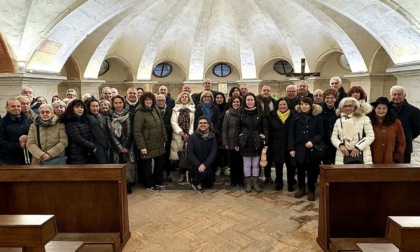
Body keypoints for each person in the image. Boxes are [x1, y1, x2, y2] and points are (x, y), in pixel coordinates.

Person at [288, 97, 324, 201]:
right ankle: (301, 188)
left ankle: (311, 189)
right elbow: (291, 134)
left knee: (312, 170)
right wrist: (291, 148)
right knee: (300, 170)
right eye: (302, 104)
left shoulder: (317, 118)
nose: (304, 106)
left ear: (311, 106)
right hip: (299, 148)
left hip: (312, 149)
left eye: (306, 104)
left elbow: (321, 134)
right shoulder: (295, 118)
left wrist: (312, 141)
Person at [133, 92, 167, 191]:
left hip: (159, 142)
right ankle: (149, 184)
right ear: (143, 101)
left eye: (150, 100)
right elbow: (137, 131)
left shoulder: (155, 109)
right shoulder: (139, 113)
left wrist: (164, 139)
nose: (149, 102)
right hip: (147, 144)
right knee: (147, 166)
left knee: (159, 164)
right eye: (147, 100)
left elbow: (161, 125)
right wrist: (142, 146)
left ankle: (157, 181)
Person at [235, 93, 268, 193]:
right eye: (248, 100)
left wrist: (265, 139)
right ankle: (248, 183)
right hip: (245, 141)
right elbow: (237, 128)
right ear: (245, 102)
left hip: (256, 141)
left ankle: (255, 183)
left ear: (255, 101)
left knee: (255, 164)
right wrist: (236, 142)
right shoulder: (241, 112)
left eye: (252, 100)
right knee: (246, 164)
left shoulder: (260, 112)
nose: (250, 102)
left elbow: (265, 128)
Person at [331, 97, 375, 165]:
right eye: (345, 106)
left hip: (362, 154)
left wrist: (358, 147)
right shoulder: (338, 121)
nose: (348, 108)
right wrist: (340, 145)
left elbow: (370, 136)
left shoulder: (364, 119)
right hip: (342, 156)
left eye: (350, 106)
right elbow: (334, 137)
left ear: (355, 107)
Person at [107, 95, 136, 192]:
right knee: (117, 165)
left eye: (120, 102)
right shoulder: (109, 117)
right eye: (116, 103)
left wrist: (127, 146)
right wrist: (119, 147)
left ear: (123, 103)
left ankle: (128, 184)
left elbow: (133, 132)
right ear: (113, 104)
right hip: (116, 147)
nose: (118, 105)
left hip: (128, 145)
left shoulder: (130, 115)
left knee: (128, 166)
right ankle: (119, 186)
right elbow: (110, 134)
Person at [268, 98, 295, 191]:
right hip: (276, 144)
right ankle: (279, 182)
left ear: (288, 105)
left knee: (290, 165)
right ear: (277, 106)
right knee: (278, 165)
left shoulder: (293, 116)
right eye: (280, 105)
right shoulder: (272, 116)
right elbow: (269, 131)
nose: (282, 106)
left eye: (284, 104)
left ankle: (291, 183)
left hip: (290, 145)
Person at [367, 97, 405, 164]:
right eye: (379, 108)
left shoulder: (395, 122)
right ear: (375, 108)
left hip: (390, 158)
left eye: (384, 108)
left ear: (387, 109)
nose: (381, 111)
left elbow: (401, 141)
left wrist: (397, 156)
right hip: (371, 158)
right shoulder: (367, 120)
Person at [389, 85, 420, 163]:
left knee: (403, 172)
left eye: (399, 94)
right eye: (394, 94)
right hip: (387, 146)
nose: (396, 96)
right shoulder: (384, 109)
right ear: (391, 95)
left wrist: (405, 137)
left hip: (405, 148)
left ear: (404, 95)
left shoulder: (414, 111)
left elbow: (417, 129)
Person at [60, 99, 97, 164]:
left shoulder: (82, 120)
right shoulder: (70, 121)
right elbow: (77, 138)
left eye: (82, 107)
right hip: (76, 153)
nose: (80, 109)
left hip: (84, 152)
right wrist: (92, 146)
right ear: (72, 109)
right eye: (77, 107)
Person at [170, 91, 196, 183]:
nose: (184, 98)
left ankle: (189, 174)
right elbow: (173, 122)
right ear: (180, 99)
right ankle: (181, 174)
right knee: (181, 155)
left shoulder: (193, 109)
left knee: (189, 155)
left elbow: (193, 123)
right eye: (182, 97)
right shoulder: (175, 109)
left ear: (189, 99)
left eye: (186, 97)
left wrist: (189, 134)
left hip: (190, 136)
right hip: (178, 136)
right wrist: (181, 133)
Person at [187, 116, 218, 193]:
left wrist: (205, 165)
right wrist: (199, 165)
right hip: (195, 164)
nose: (203, 125)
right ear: (198, 125)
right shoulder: (192, 137)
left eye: (205, 123)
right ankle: (194, 181)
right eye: (201, 123)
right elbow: (190, 153)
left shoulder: (212, 137)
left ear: (208, 125)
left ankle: (200, 178)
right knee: (202, 173)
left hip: (206, 164)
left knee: (209, 185)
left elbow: (213, 152)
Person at [0, 98, 32, 164]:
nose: (16, 108)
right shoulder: (2, 123)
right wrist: (18, 145)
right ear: (7, 108)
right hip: (10, 160)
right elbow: (1, 142)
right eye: (13, 106)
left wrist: (28, 136)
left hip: (29, 158)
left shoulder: (28, 121)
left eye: (18, 106)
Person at [222, 95, 244, 187]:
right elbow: (224, 128)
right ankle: (233, 180)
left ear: (241, 103)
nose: (236, 103)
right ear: (231, 103)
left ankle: (241, 179)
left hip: (241, 141)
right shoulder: (228, 114)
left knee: (241, 162)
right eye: (234, 102)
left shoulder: (244, 113)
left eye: (238, 102)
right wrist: (225, 142)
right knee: (233, 162)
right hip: (230, 142)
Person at [85, 98, 111, 164]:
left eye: (97, 106)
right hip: (97, 145)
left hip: (104, 144)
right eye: (93, 106)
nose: (95, 108)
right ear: (88, 107)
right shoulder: (89, 118)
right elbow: (98, 135)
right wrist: (107, 144)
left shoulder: (101, 116)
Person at [156, 94, 173, 183]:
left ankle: (168, 173)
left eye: (162, 100)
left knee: (167, 156)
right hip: (157, 137)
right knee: (159, 157)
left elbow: (172, 122)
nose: (161, 102)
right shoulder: (153, 110)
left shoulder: (170, 110)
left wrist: (166, 127)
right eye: (159, 100)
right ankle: (160, 174)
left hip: (168, 136)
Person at [320, 88, 340, 165]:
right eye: (327, 98)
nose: (329, 100)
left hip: (336, 141)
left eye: (332, 98)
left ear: (336, 98)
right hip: (324, 141)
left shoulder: (339, 110)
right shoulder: (320, 110)